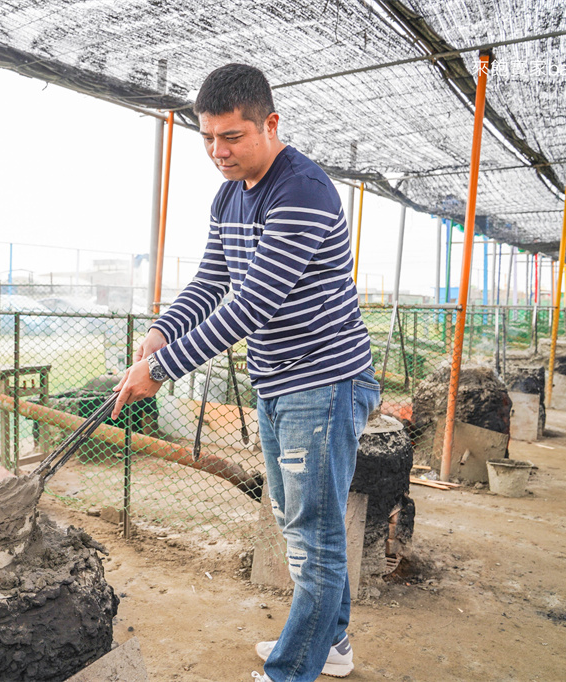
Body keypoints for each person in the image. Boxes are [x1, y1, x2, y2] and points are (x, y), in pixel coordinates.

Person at [112, 63, 380, 682]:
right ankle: (331, 645)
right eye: (208, 138)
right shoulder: (229, 195)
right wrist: (158, 334)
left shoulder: (304, 189)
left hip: (325, 380)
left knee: (315, 539)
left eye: (232, 137)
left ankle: (293, 671)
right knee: (294, 521)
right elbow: (212, 282)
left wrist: (163, 370)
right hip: (277, 381)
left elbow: (254, 300)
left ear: (271, 124)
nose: (218, 151)